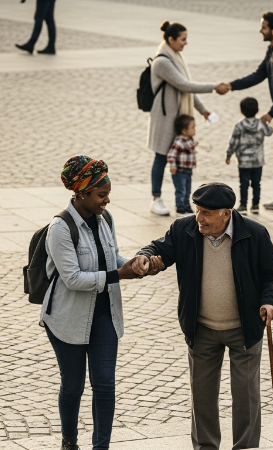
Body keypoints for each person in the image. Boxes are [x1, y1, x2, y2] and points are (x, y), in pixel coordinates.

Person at [133, 182, 273, 450]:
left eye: (206, 213)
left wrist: (271, 301)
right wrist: (145, 257)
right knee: (202, 397)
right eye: (197, 210)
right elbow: (159, 249)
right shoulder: (184, 230)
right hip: (202, 328)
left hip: (244, 329)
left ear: (226, 214)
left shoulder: (254, 233)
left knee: (246, 396)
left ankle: (246, 447)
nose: (199, 218)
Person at [42, 156, 160, 450]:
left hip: (105, 313)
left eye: (108, 193)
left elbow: (113, 257)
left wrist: (137, 264)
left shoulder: (105, 218)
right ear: (82, 193)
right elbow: (73, 278)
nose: (107, 200)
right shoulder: (60, 228)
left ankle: (101, 447)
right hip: (67, 318)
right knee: (73, 385)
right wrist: (119, 275)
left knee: (105, 384)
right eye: (101, 194)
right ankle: (69, 442)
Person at [215, 12, 273, 218]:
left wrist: (272, 112)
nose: (260, 30)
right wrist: (231, 85)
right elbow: (258, 75)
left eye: (263, 27)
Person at [148, 20, 222, 217]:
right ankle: (155, 199)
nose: (186, 43)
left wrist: (203, 111)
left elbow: (185, 89)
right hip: (165, 117)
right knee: (161, 157)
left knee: (178, 163)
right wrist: (214, 87)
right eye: (183, 39)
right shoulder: (162, 61)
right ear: (171, 39)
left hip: (178, 116)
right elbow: (185, 85)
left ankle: (181, 202)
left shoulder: (175, 57)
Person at [226, 97, 273, 215]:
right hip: (258, 160)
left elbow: (233, 142)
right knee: (256, 184)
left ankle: (243, 205)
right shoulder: (260, 124)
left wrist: (228, 155)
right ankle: (255, 204)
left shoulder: (239, 125)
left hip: (243, 161)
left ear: (241, 111)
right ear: (257, 110)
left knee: (244, 184)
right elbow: (269, 132)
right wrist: (267, 123)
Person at [168, 114, 197, 216]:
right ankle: (180, 208)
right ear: (184, 131)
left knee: (188, 190)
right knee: (181, 190)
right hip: (180, 171)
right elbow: (171, 155)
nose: (195, 129)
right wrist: (172, 165)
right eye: (193, 127)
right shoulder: (179, 141)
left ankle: (186, 206)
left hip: (188, 170)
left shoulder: (189, 139)